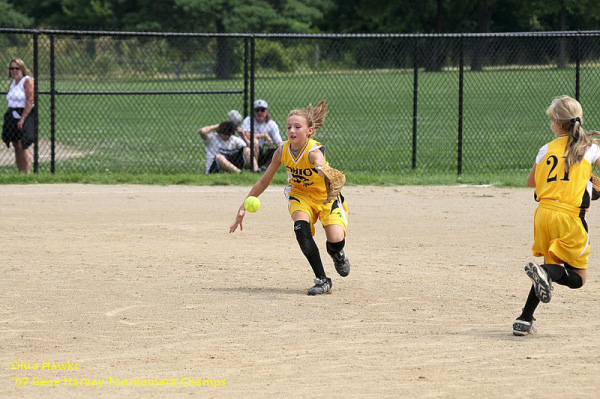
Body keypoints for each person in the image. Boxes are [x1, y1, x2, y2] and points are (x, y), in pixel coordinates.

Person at [229, 100, 351, 295]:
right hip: (300, 196)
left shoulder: (313, 152)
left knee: (336, 239)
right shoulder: (282, 151)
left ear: (309, 131)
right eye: (288, 127)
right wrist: (243, 205)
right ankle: (322, 279)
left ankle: (337, 253)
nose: (292, 130)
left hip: (325, 197)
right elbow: (263, 181)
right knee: (301, 229)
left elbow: (320, 162)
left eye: (297, 127)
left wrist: (324, 170)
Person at [513, 95, 600, 336]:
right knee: (578, 278)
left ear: (556, 123)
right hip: (569, 217)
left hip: (543, 215)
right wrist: (591, 183)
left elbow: (532, 181)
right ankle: (546, 274)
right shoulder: (591, 148)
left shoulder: (545, 149)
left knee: (551, 266)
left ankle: (524, 318)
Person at [2, 58, 34, 173]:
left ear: (22, 68)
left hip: (24, 113)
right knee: (16, 145)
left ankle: (27, 173)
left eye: (17, 68)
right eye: (12, 68)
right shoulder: (12, 83)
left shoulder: (27, 80)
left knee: (22, 144)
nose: (14, 70)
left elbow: (30, 101)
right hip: (12, 113)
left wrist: (23, 118)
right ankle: (21, 173)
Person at [240, 99, 283, 171]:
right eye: (257, 110)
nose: (259, 112)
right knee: (255, 142)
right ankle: (255, 168)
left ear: (266, 112)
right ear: (253, 112)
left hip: (264, 150)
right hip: (249, 150)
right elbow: (246, 135)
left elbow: (279, 142)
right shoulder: (248, 120)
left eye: (262, 110)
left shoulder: (271, 124)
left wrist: (279, 148)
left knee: (281, 150)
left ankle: (265, 168)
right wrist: (264, 135)